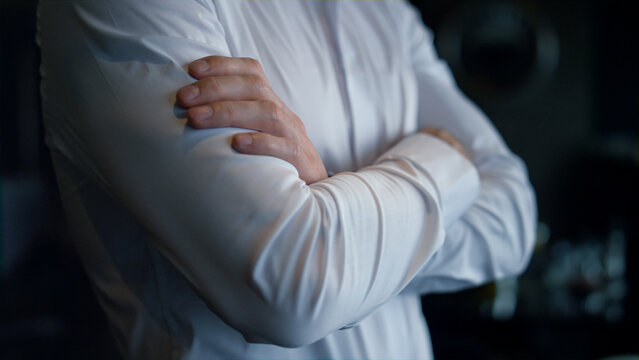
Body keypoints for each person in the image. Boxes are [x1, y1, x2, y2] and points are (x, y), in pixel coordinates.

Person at [37, 0, 537, 359]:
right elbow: (291, 290)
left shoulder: (388, 15)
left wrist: (333, 203)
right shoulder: (126, 7)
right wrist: (442, 160)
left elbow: (514, 217)